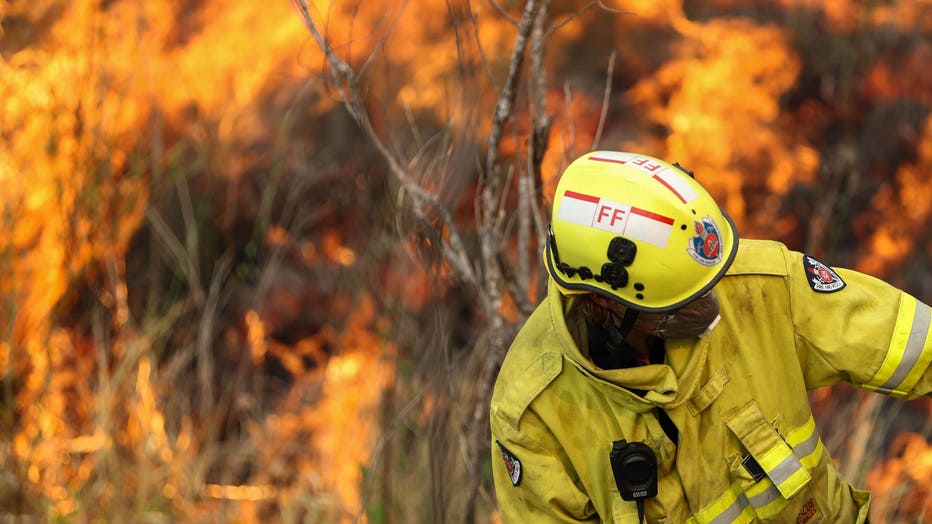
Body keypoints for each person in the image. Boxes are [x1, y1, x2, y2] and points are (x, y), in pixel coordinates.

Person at [489, 150, 931, 523]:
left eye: (707, 287)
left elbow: (912, 340)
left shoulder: (763, 285)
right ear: (602, 304)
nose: (711, 308)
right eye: (679, 304)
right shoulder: (532, 414)